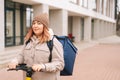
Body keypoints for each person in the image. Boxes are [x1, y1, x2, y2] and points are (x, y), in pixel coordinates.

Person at [8, 13, 64, 80]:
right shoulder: (28, 40)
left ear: (45, 26)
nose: (35, 26)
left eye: (39, 23)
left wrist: (43, 66)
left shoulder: (53, 42)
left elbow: (60, 64)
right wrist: (15, 61)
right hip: (28, 78)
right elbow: (21, 56)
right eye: (34, 23)